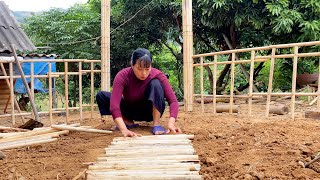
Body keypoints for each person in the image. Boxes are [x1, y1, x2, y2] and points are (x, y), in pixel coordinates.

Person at [96, 48, 182, 137]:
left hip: (149, 111)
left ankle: (156, 124)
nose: (144, 73)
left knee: (156, 83)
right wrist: (124, 129)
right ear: (132, 65)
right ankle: (127, 121)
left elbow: (173, 101)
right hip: (130, 109)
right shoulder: (122, 76)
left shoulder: (158, 74)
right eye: (139, 69)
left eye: (147, 69)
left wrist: (171, 124)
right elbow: (114, 106)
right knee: (101, 96)